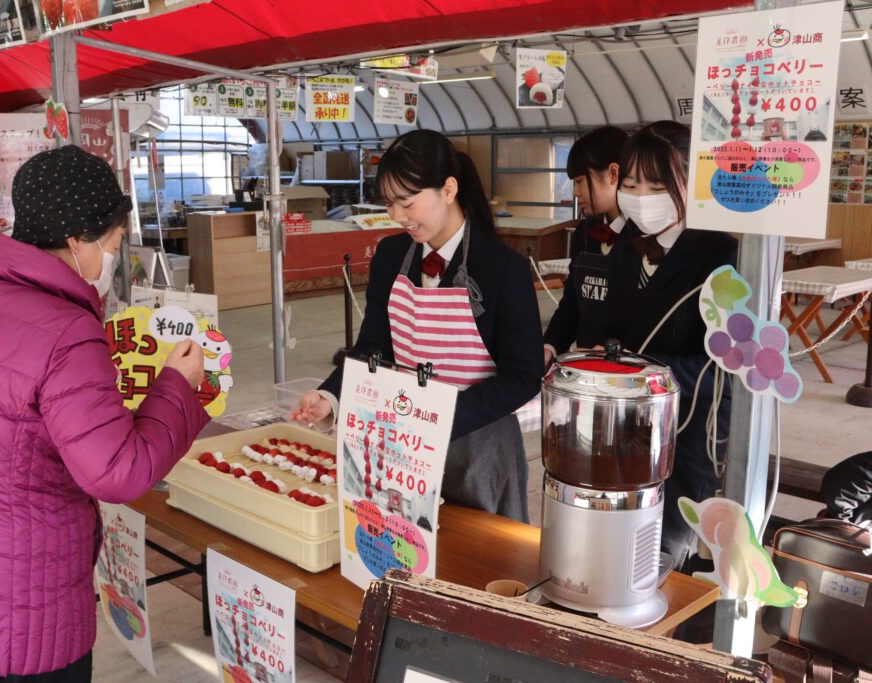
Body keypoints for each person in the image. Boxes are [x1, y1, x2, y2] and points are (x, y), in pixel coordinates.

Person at [0, 145, 210, 682]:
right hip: (19, 607)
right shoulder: (64, 329)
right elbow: (118, 471)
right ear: (78, 240)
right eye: (115, 242)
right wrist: (177, 385)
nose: (115, 259)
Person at [289, 130, 544, 522]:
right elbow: (373, 346)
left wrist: (441, 417)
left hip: (478, 445)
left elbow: (524, 376)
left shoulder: (501, 268)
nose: (397, 216)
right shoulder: (392, 257)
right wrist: (331, 397)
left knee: (475, 567)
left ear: (448, 189)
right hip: (402, 442)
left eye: (407, 203)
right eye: (389, 204)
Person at [603, 121, 738, 570]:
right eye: (631, 183)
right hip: (623, 425)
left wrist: (641, 370)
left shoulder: (721, 255)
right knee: (614, 543)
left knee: (663, 555)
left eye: (657, 184)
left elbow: (724, 365)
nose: (641, 196)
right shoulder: (627, 245)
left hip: (686, 434)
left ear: (690, 184)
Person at [543, 126, 632, 364]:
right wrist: (549, 346)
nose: (574, 192)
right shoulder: (585, 233)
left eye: (581, 181)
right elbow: (572, 303)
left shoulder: (645, 241)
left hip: (626, 377)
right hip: (585, 371)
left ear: (613, 174)